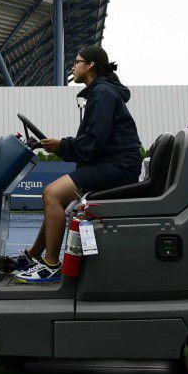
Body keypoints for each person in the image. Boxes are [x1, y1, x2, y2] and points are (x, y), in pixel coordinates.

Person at [12, 45, 141, 283]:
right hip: (115, 163)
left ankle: (51, 265)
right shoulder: (100, 93)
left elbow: (92, 144)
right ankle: (34, 255)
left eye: (77, 62)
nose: (73, 67)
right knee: (57, 199)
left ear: (90, 66)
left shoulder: (102, 94)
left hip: (119, 166)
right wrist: (55, 145)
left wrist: (62, 145)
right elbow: (90, 144)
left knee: (52, 194)